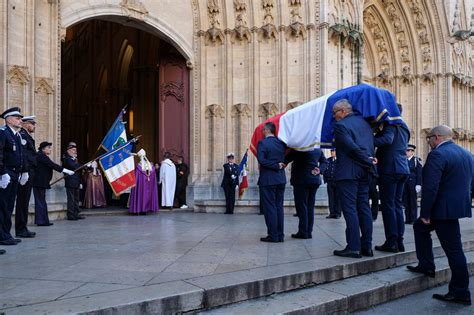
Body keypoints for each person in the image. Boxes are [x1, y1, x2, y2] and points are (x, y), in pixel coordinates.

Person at [407, 125, 472, 306]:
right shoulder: (465, 153)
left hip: (441, 210)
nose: (428, 142)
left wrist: (426, 213)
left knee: (454, 250)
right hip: (454, 208)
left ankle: (460, 292)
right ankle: (426, 264)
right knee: (419, 227)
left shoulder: (437, 154)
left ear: (436, 137)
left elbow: (430, 187)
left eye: (429, 139)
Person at [332, 99, 376, 258]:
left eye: (335, 113)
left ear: (342, 111)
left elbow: (351, 147)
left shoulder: (341, 126)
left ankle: (353, 247)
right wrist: (370, 161)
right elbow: (371, 145)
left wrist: (366, 159)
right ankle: (367, 246)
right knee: (364, 207)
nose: (334, 116)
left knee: (350, 209)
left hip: (348, 172)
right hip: (364, 171)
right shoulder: (365, 124)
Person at [373, 109, 410, 253]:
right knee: (397, 205)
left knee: (388, 205)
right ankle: (399, 241)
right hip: (402, 168)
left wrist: (369, 139)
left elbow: (387, 140)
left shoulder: (391, 125)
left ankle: (391, 241)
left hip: (390, 169)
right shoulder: (404, 127)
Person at [285, 149, 327, 239]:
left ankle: (303, 232)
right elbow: (324, 161)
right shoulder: (317, 149)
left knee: (302, 206)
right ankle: (308, 231)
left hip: (301, 180)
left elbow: (287, 158)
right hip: (314, 179)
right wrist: (320, 169)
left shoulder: (300, 147)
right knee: (310, 207)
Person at [0, 107, 26, 250]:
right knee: (3, 206)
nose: (20, 120)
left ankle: (6, 234)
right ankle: (3, 235)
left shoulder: (16, 135)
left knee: (9, 206)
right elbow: (0, 154)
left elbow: (20, 156)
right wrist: (2, 173)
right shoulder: (3, 133)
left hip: (15, 175)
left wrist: (23, 172)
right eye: (17, 118)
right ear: (8, 119)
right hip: (6, 175)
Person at [257, 122, 287, 243]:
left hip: (268, 179)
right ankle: (280, 235)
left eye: (263, 130)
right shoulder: (281, 143)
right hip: (280, 179)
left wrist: (275, 165)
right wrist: (279, 165)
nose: (262, 132)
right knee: (279, 207)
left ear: (266, 130)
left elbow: (261, 160)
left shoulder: (263, 143)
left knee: (270, 208)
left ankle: (273, 235)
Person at [33, 142, 74, 225]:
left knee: (42, 201)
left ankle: (44, 221)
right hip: (38, 183)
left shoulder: (43, 156)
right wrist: (65, 170)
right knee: (40, 202)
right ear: (43, 149)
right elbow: (52, 165)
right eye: (49, 147)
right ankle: (41, 221)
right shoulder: (40, 156)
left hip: (42, 183)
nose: (50, 149)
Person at [14, 116, 37, 238]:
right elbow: (25, 156)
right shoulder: (22, 136)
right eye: (32, 123)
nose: (34, 126)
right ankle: (21, 229)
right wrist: (25, 171)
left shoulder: (27, 136)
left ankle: (23, 227)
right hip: (25, 172)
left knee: (25, 201)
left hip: (30, 172)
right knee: (22, 201)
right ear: (26, 124)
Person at [129, 149, 159, 214]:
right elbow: (153, 176)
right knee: (147, 195)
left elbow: (136, 178)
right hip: (149, 184)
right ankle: (145, 210)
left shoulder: (139, 167)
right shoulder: (151, 166)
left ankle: (138, 209)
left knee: (140, 195)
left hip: (140, 185)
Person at [62, 142, 84, 220]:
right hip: (70, 182)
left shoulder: (75, 159)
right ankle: (71, 215)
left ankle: (76, 213)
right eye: (73, 150)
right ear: (69, 150)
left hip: (76, 181)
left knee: (76, 199)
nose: (75, 151)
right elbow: (74, 167)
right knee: (71, 199)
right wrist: (83, 166)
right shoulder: (67, 159)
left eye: (75, 150)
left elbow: (79, 171)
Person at [403, 144, 422, 224]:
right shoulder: (404, 160)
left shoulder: (415, 160)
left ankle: (414, 219)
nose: (406, 152)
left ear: (411, 152)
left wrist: (418, 184)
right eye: (406, 150)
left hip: (412, 183)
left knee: (413, 201)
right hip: (405, 182)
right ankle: (408, 219)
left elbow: (419, 173)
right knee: (406, 201)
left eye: (408, 151)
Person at [323, 149, 341, 219]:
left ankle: (338, 213)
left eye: (333, 151)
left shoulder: (340, 160)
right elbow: (325, 170)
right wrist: (326, 179)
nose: (332, 153)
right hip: (330, 181)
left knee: (337, 198)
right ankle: (332, 213)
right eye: (331, 151)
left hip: (337, 182)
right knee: (331, 198)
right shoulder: (328, 160)